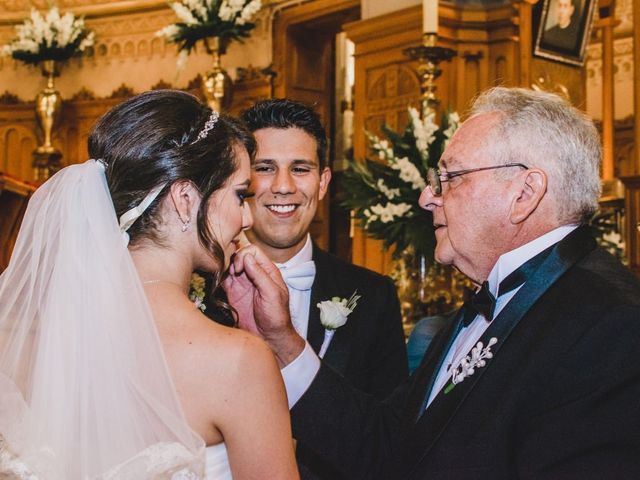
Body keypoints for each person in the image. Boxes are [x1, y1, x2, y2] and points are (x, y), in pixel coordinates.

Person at [225, 87, 640, 478]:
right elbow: (389, 444)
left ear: (524, 193)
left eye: (450, 177)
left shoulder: (613, 325)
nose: (427, 198)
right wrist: (284, 343)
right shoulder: (483, 304)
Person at [0, 90, 299, 479]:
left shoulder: (35, 341)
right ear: (185, 198)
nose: (246, 218)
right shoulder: (239, 361)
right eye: (240, 194)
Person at [239, 98, 408, 479]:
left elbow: (387, 443)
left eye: (300, 169)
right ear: (240, 179)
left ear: (323, 183)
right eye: (265, 169)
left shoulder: (373, 297)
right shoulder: (198, 290)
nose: (283, 187)